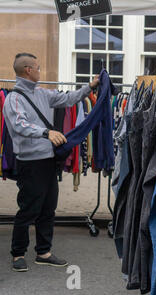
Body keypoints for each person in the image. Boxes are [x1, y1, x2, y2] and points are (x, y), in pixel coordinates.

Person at [3, 53, 100, 272]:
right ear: (28, 70)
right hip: (30, 163)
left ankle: (43, 252)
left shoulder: (42, 93)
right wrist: (46, 132)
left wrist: (90, 87)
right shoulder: (13, 99)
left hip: (47, 161)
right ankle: (18, 253)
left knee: (48, 208)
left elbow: (67, 99)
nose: (40, 70)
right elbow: (19, 125)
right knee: (28, 209)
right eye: (37, 67)